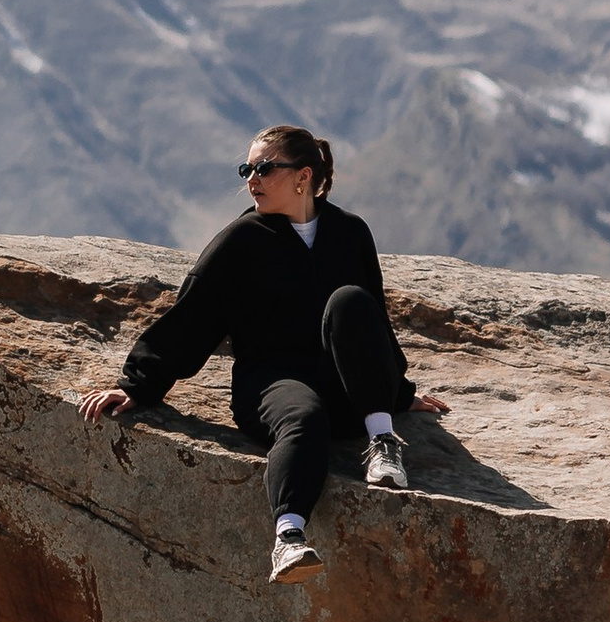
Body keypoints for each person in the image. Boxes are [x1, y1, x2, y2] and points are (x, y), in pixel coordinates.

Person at [79, 124, 446, 584]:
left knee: (350, 301)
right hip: (272, 384)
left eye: (264, 168)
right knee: (303, 417)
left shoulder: (350, 233)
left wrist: (397, 391)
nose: (251, 179)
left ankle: (383, 443)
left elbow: (373, 328)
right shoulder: (241, 240)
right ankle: (289, 538)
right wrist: (137, 384)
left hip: (346, 390)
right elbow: (193, 317)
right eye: (247, 169)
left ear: (303, 176)